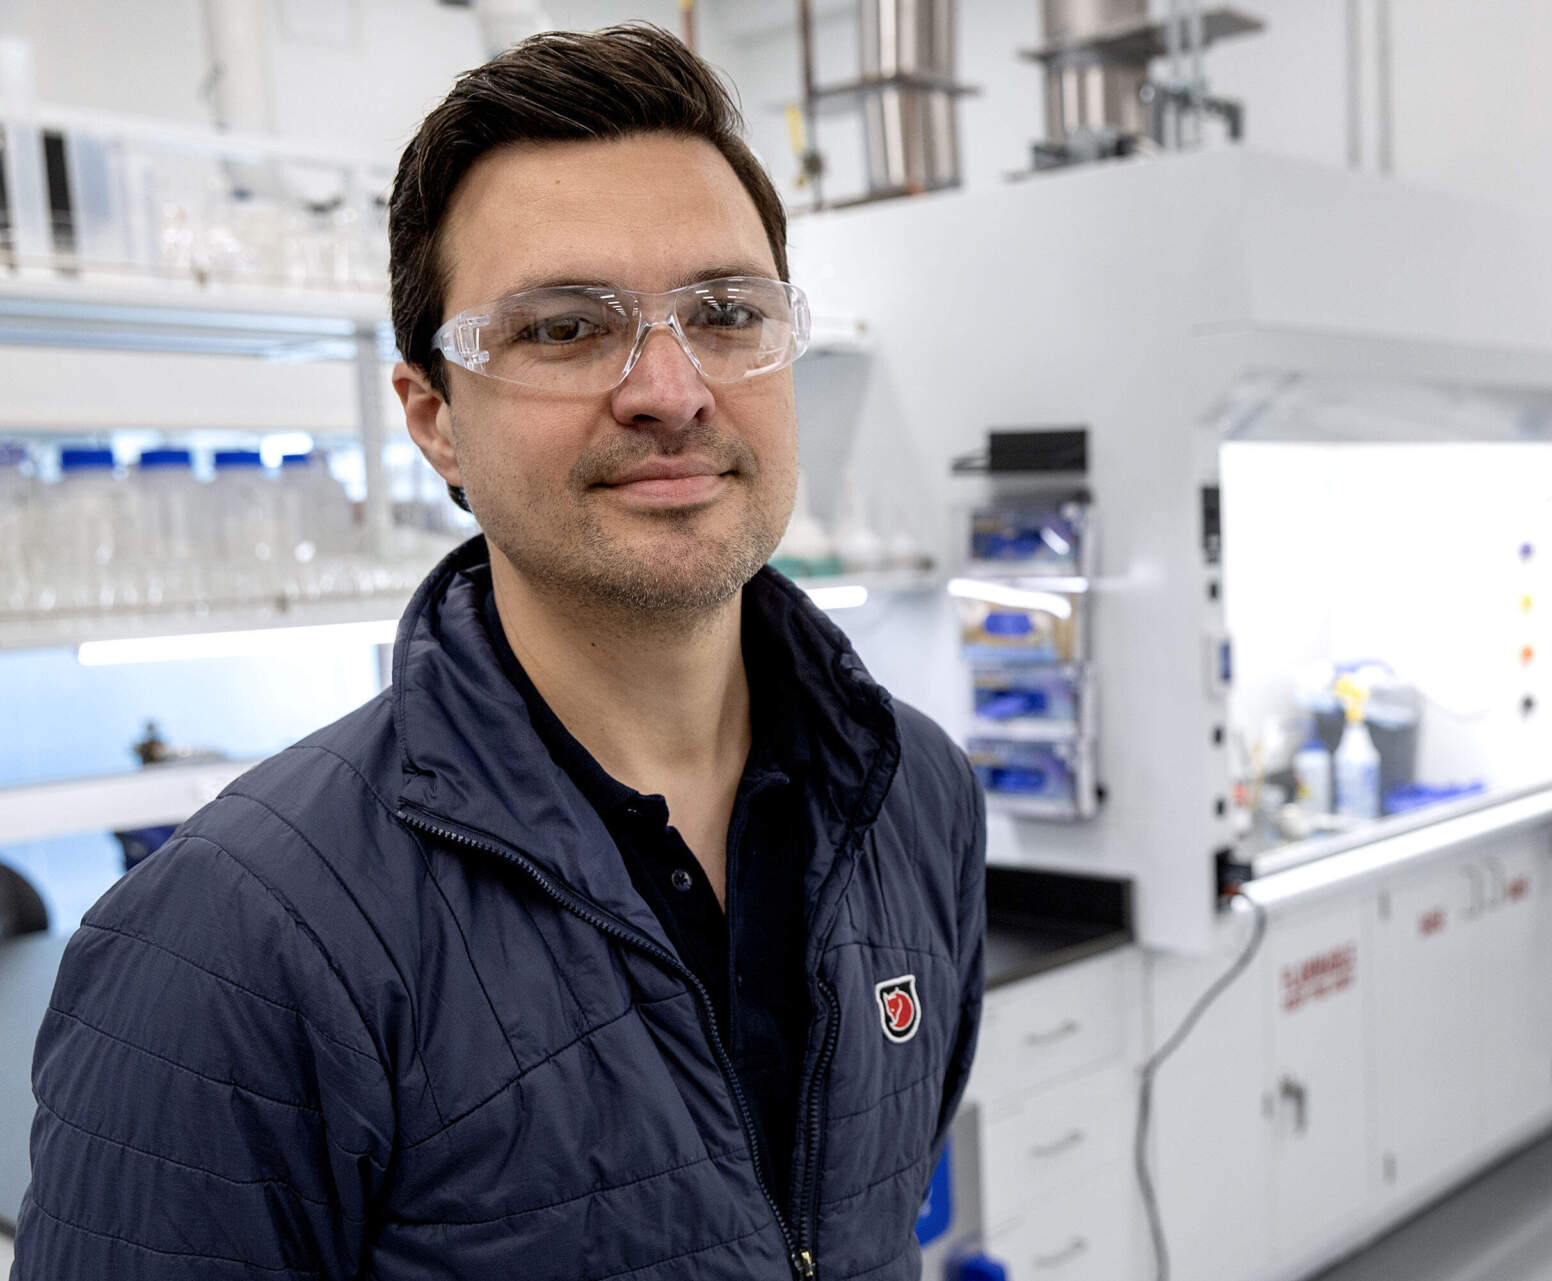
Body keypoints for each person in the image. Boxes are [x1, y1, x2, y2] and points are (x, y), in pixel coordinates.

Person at [14, 24, 985, 1281]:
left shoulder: (917, 794)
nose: (671, 389)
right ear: (435, 421)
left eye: (728, 313)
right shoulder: (232, 943)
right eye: (566, 329)